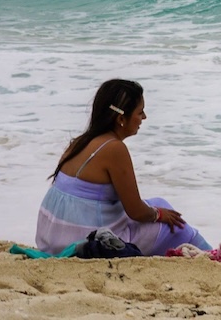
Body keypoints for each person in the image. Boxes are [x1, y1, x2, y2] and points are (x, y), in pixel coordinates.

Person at [36, 79, 212, 256]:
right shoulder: (114, 148)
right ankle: (214, 257)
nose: (144, 118)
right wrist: (159, 215)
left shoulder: (80, 143)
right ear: (121, 118)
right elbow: (135, 211)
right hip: (85, 242)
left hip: (52, 238)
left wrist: (157, 211)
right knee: (176, 228)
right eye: (140, 112)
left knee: (159, 204)